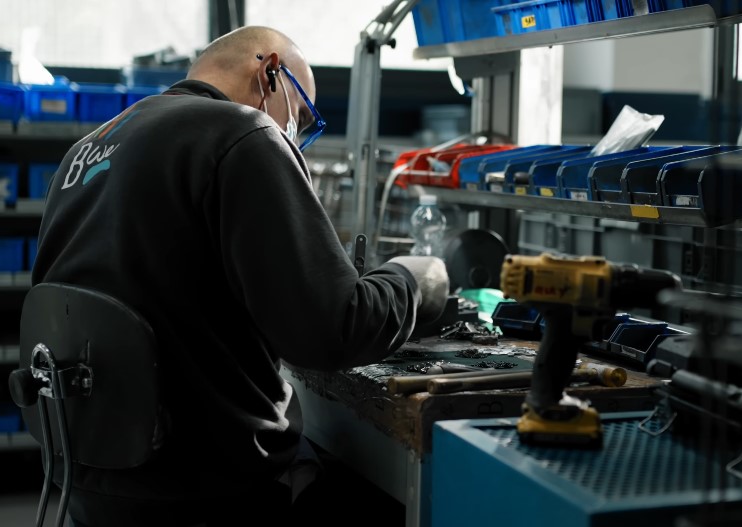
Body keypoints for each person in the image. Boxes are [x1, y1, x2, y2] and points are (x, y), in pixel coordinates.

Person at [31, 25, 448, 526]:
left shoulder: (89, 148)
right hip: (204, 486)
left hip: (88, 476)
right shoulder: (243, 133)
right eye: (303, 117)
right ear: (270, 72)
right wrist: (411, 281)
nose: (297, 137)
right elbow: (332, 329)